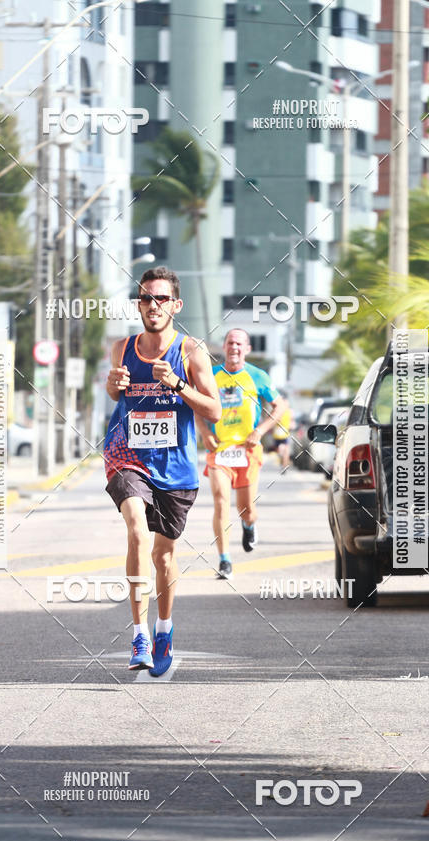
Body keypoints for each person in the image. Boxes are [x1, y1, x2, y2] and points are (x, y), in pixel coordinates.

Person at [104, 267, 221, 674]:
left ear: (176, 305)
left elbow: (214, 410)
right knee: (136, 529)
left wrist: (176, 384)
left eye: (160, 299)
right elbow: (114, 392)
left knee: (164, 556)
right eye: (145, 299)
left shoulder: (191, 351)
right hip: (127, 454)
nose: (152, 306)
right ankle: (138, 636)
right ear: (138, 304)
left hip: (176, 467)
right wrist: (113, 384)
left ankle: (164, 628)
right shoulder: (122, 347)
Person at [195, 328, 286, 578]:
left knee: (245, 508)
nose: (234, 347)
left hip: (248, 450)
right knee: (220, 501)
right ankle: (224, 560)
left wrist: (260, 431)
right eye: (230, 343)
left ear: (247, 349)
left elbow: (280, 406)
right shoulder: (211, 376)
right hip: (220, 450)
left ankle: (249, 524)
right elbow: (198, 408)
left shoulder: (258, 376)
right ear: (223, 347)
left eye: (239, 344)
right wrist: (205, 433)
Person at [272, 393, 292, 471]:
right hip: (281, 432)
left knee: (284, 450)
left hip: (282, 432)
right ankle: (284, 464)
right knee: (284, 450)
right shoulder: (286, 411)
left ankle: (284, 465)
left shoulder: (282, 410)